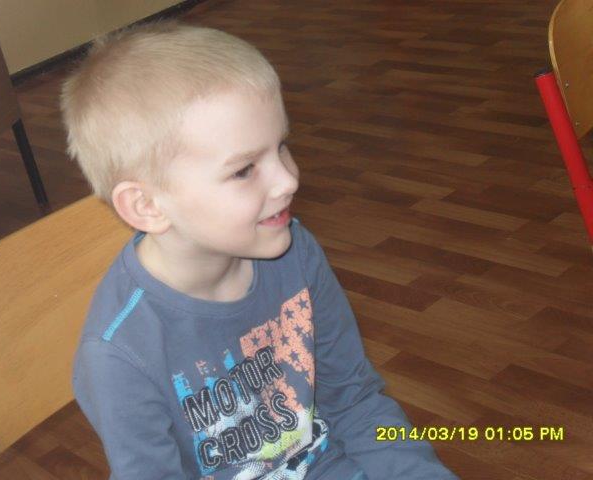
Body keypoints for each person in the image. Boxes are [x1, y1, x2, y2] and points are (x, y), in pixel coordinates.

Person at [61, 19, 459, 480]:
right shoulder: (118, 356)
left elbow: (354, 401)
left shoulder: (294, 252)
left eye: (281, 146)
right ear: (147, 206)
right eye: (244, 169)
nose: (289, 180)